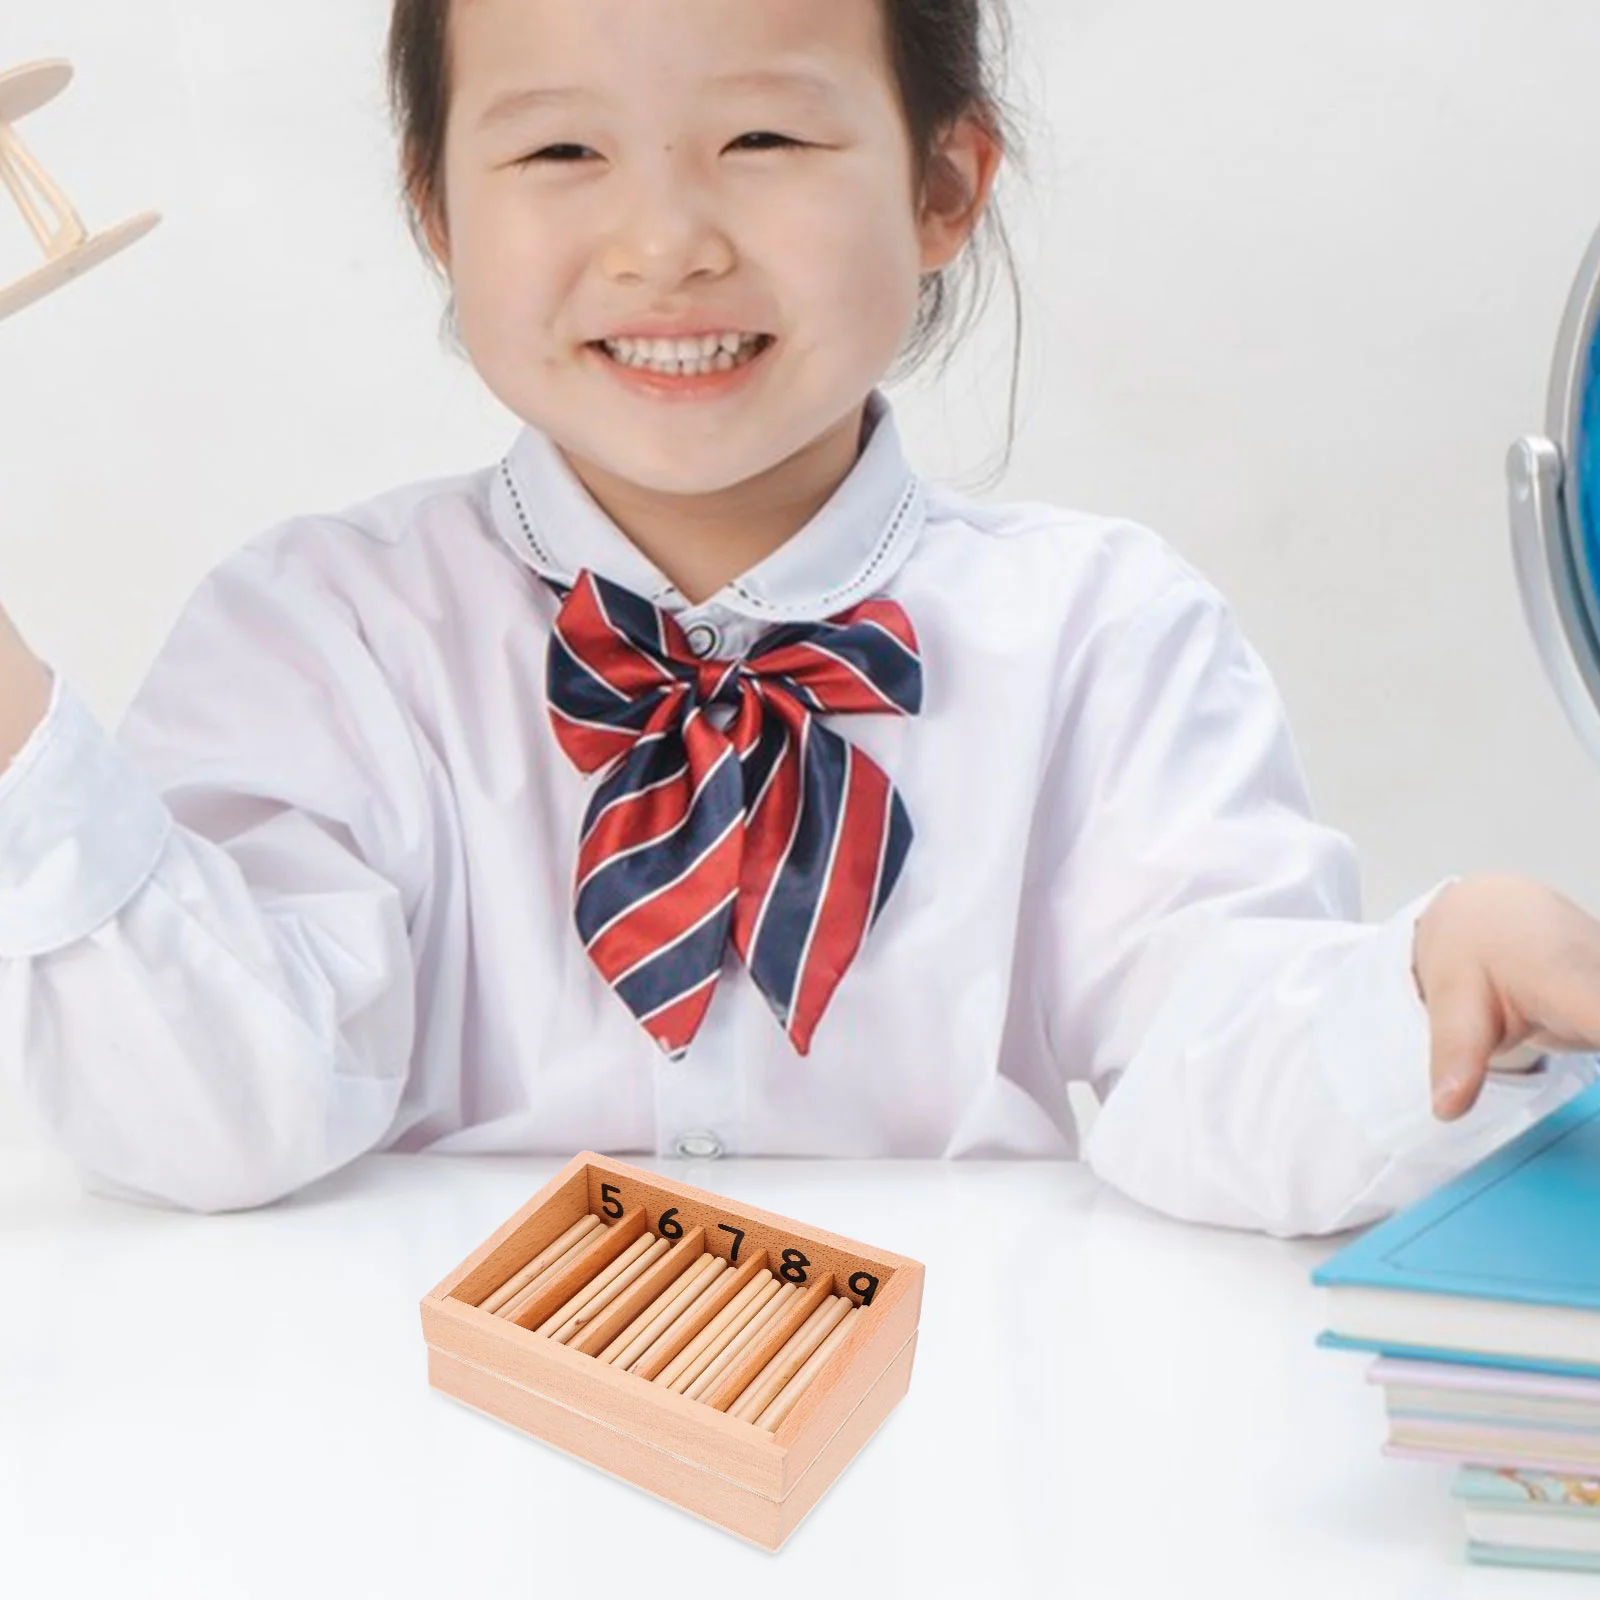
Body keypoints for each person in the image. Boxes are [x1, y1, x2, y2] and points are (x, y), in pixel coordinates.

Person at [1, 0, 1596, 1232]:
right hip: (442, 1469)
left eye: (762, 140)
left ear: (945, 186)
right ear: (435, 206)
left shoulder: (1106, 635)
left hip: (968, 1459)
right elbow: (217, 1111)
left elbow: (1220, 1050)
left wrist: (1435, 986)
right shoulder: (317, 635)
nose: (665, 243)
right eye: (561, 153)